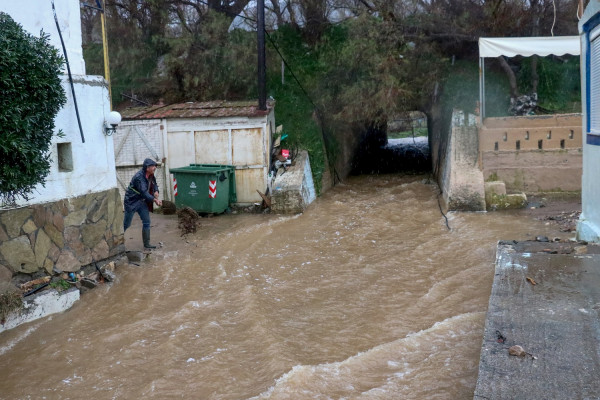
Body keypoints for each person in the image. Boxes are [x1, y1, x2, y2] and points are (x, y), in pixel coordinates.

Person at [123, 158, 162, 249]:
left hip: (141, 201)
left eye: (155, 166)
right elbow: (144, 192)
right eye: (153, 166)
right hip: (131, 201)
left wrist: (156, 190)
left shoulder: (151, 175)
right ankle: (118, 243)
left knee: (147, 222)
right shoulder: (139, 177)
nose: (154, 168)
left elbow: (154, 183)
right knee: (126, 224)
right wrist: (155, 200)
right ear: (147, 168)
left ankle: (147, 244)